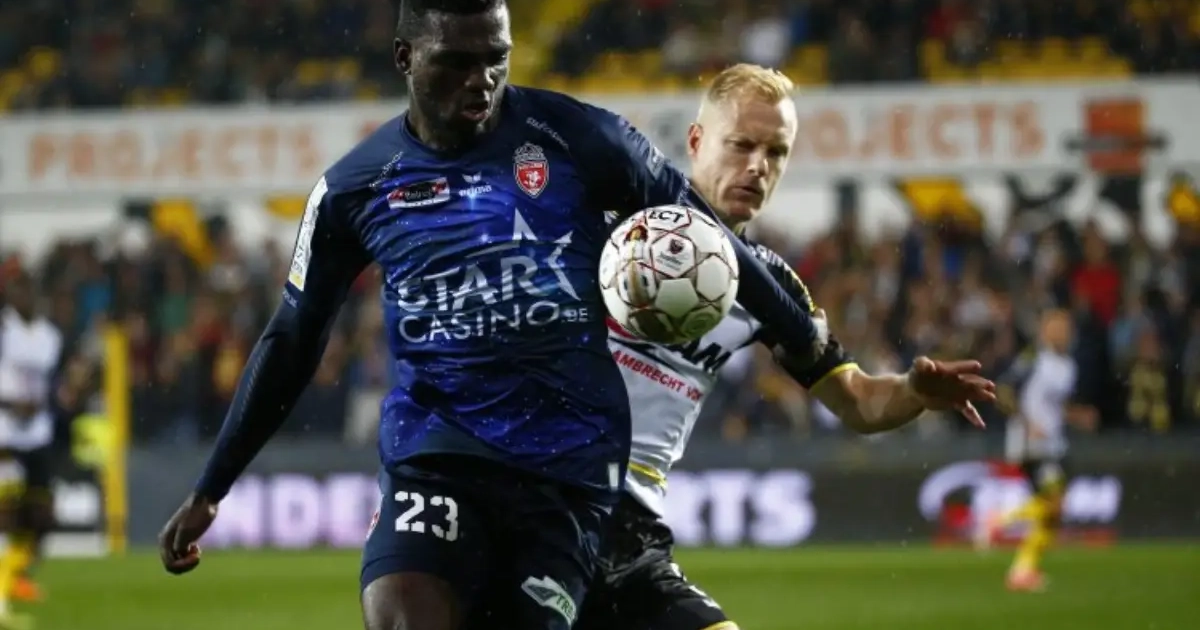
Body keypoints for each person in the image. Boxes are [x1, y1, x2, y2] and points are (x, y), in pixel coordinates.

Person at [157, 1, 837, 629]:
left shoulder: (579, 135)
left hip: (565, 471)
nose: (481, 80)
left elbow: (704, 233)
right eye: (458, 61)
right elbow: (292, 336)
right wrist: (212, 488)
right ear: (405, 58)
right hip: (437, 450)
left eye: (496, 59)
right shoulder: (353, 187)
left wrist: (800, 331)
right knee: (403, 615)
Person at [576, 64, 996, 630]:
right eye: (741, 145)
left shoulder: (772, 289)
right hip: (546, 503)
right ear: (696, 141)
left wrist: (914, 391)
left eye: (776, 152)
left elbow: (859, 402)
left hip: (631, 541)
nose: (758, 166)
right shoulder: (611, 225)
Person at [990, 309, 1095, 592]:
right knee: (1054, 502)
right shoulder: (1033, 358)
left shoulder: (1068, 365)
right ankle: (999, 522)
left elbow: (1055, 406)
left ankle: (1023, 571)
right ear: (1044, 330)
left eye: (1066, 328)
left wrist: (1078, 416)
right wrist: (1027, 423)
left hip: (1055, 443)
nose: (1062, 333)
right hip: (1031, 445)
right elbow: (1003, 391)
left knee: (1052, 514)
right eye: (1056, 327)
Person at [0, 270, 65, 630]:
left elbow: (52, 384)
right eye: (15, 292)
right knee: (6, 514)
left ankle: (16, 574)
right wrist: (10, 404)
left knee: (42, 516)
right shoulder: (4, 330)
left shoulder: (49, 336)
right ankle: (2, 590)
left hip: (38, 434)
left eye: (26, 292)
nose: (21, 298)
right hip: (5, 432)